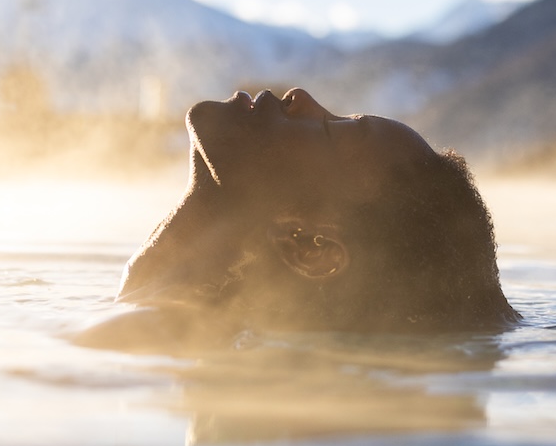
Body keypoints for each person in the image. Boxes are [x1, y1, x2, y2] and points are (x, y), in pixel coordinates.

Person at [84, 87, 518, 347]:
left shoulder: (145, 336)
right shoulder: (163, 320)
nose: (299, 98)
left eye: (331, 129)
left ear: (311, 249)